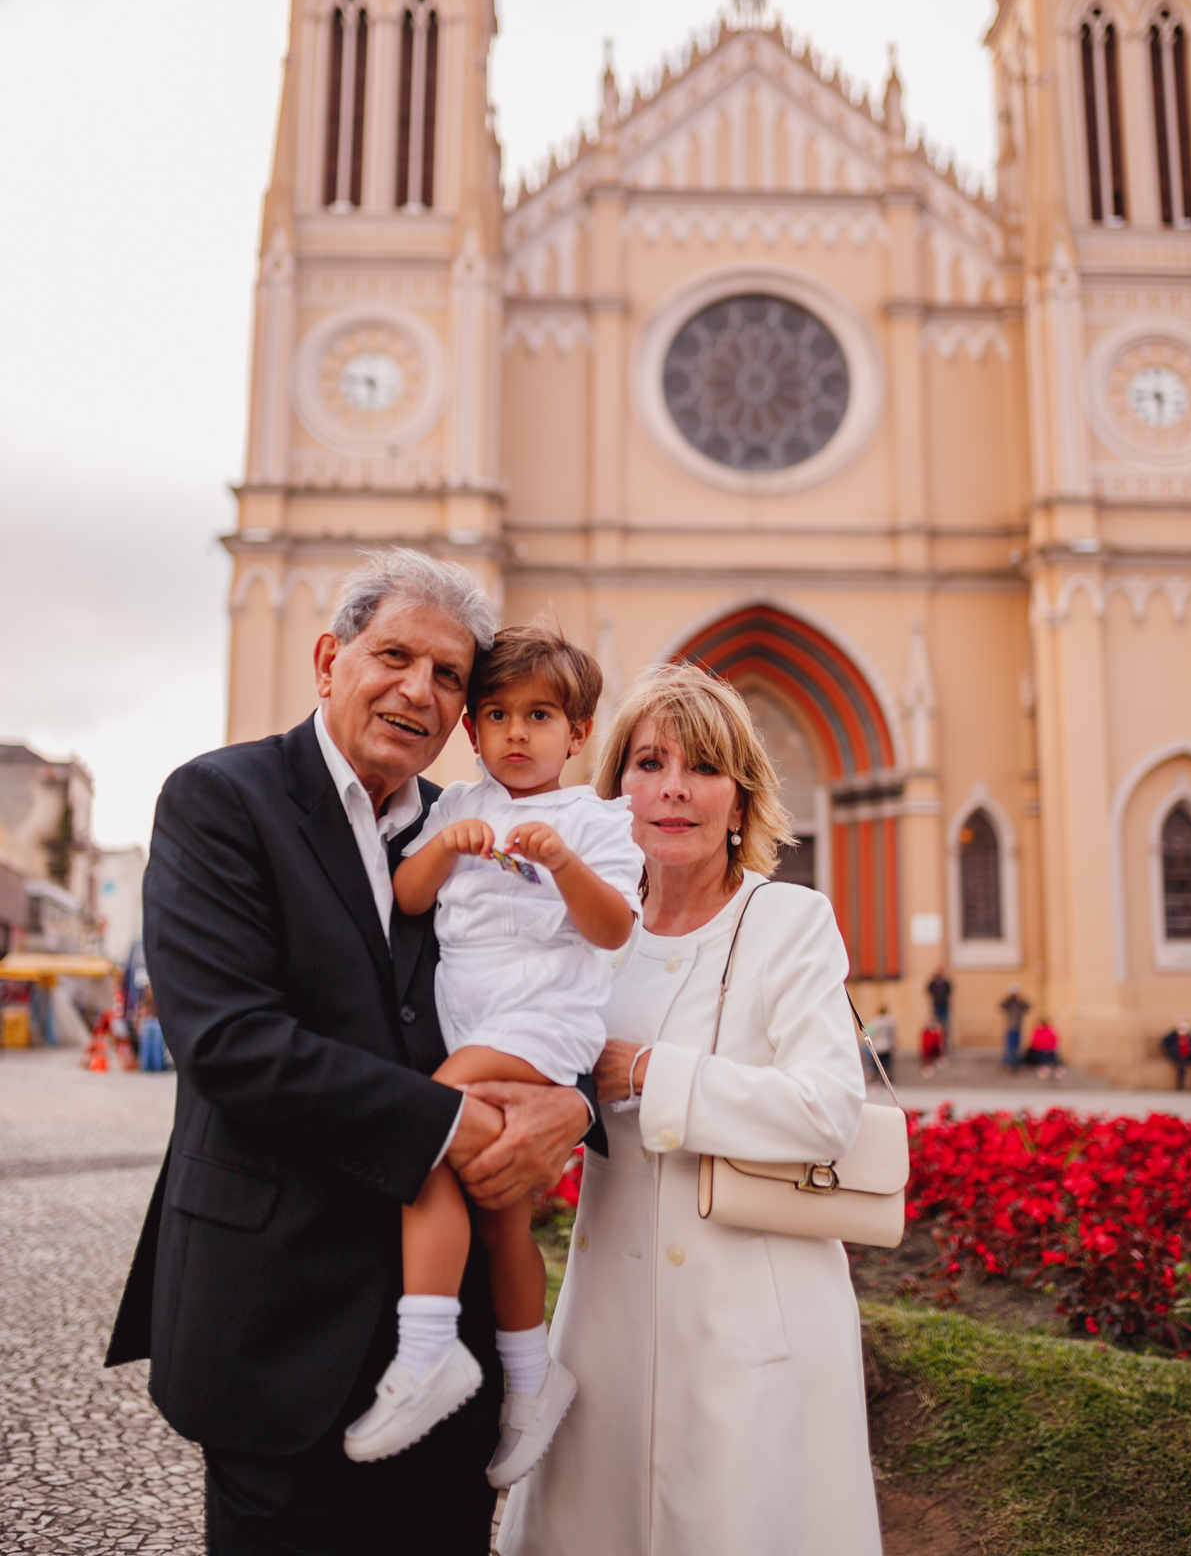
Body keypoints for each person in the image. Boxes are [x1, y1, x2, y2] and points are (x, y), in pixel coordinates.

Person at [104, 550, 600, 1556]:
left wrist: (574, 1102)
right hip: (276, 1318)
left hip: (451, 1342)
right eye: (395, 656)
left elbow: (548, 980)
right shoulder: (221, 800)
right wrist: (455, 1123)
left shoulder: (470, 826)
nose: (419, 689)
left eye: (449, 675)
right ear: (331, 660)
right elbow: (230, 1044)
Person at [500, 665, 882, 1556]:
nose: (674, 788)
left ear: (740, 802)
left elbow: (828, 1111)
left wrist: (648, 1074)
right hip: (607, 1326)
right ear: (615, 792)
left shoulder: (790, 921)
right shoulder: (589, 934)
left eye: (704, 768)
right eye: (649, 763)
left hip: (753, 1329)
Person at [346, 624, 641, 1482]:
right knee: (501, 1209)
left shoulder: (595, 820)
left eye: (540, 716)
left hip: (542, 1019)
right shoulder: (456, 807)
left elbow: (613, 929)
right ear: (472, 730)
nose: (517, 733)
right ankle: (531, 1379)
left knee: (420, 1128)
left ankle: (427, 1348)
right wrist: (445, 846)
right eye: (498, 716)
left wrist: (563, 864)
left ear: (578, 733)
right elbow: (407, 898)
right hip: (468, 1020)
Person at [1162, 1021, 1191, 1091]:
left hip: (1189, 1055)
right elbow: (1164, 1043)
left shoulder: (1190, 1037)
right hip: (1178, 1056)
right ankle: (1180, 1086)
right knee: (1182, 1067)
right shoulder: (1172, 1037)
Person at [999, 988, 1030, 1071]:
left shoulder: (1020, 1004)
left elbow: (1028, 1007)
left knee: (1017, 1047)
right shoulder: (1009, 1003)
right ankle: (1008, 1064)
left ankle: (1017, 1064)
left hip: (1018, 1028)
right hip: (1010, 1028)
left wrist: (1022, 998)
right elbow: (1001, 1005)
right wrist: (1006, 997)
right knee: (1009, 1047)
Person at [865, 1000, 896, 1082]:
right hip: (888, 1045)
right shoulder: (890, 1021)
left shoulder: (875, 1021)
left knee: (878, 1064)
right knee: (887, 1065)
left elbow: (870, 1033)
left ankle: (878, 1079)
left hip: (878, 1046)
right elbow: (893, 1033)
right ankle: (887, 1079)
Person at [927, 967, 952, 1047]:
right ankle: (935, 1044)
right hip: (936, 1007)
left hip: (944, 1007)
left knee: (945, 1026)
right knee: (935, 1027)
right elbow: (928, 989)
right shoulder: (933, 984)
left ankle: (944, 1044)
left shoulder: (945, 983)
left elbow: (949, 990)